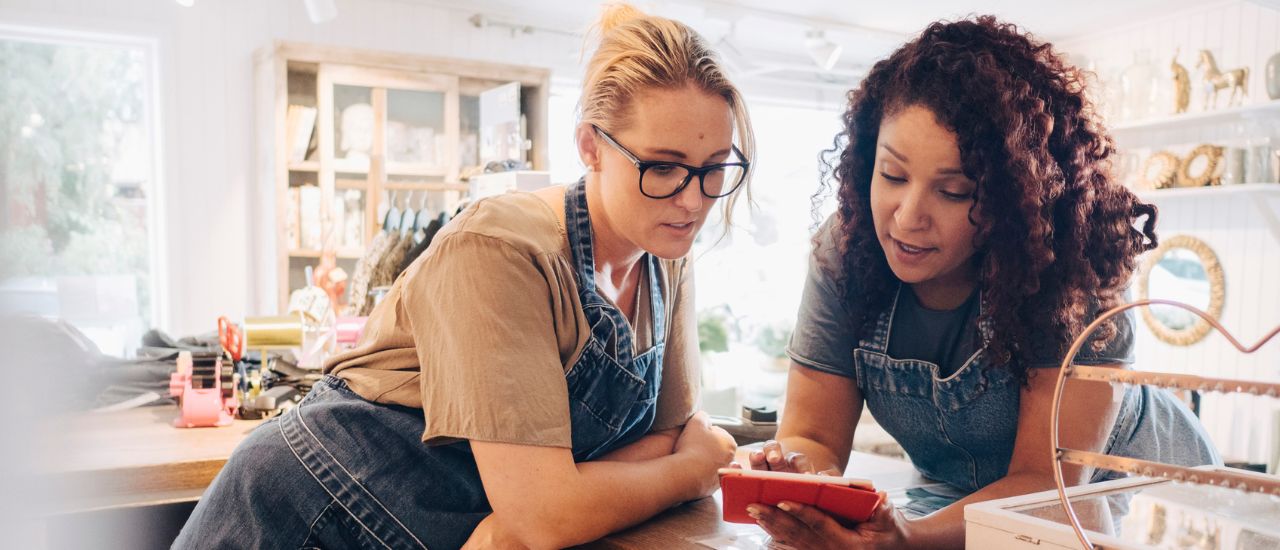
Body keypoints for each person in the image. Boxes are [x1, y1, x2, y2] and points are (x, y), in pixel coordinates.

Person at [173, 4, 754, 548]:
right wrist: (685, 475)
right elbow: (557, 509)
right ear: (592, 147)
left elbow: (668, 433)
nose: (692, 200)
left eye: (714, 169)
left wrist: (538, 514)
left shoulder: (665, 251)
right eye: (661, 167)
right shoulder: (499, 248)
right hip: (305, 511)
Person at [743, 16, 1218, 549]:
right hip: (969, 504)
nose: (907, 218)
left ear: (1015, 199)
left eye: (953, 191)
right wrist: (799, 477)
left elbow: (1047, 487)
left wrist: (908, 539)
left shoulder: (1071, 272)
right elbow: (814, 435)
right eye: (893, 176)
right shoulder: (846, 251)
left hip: (1151, 502)